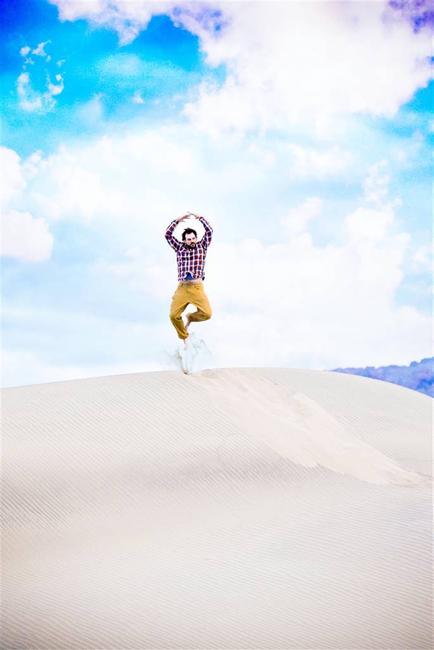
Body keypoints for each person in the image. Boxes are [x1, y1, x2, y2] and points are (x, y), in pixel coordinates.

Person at [165, 212, 213, 342]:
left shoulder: (202, 246)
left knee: (207, 314)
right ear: (184, 240)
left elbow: (209, 232)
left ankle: (190, 317)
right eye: (189, 239)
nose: (192, 241)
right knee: (173, 316)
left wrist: (201, 218)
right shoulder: (179, 247)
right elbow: (168, 235)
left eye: (193, 238)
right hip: (182, 288)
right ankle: (184, 337)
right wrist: (177, 220)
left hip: (196, 288)